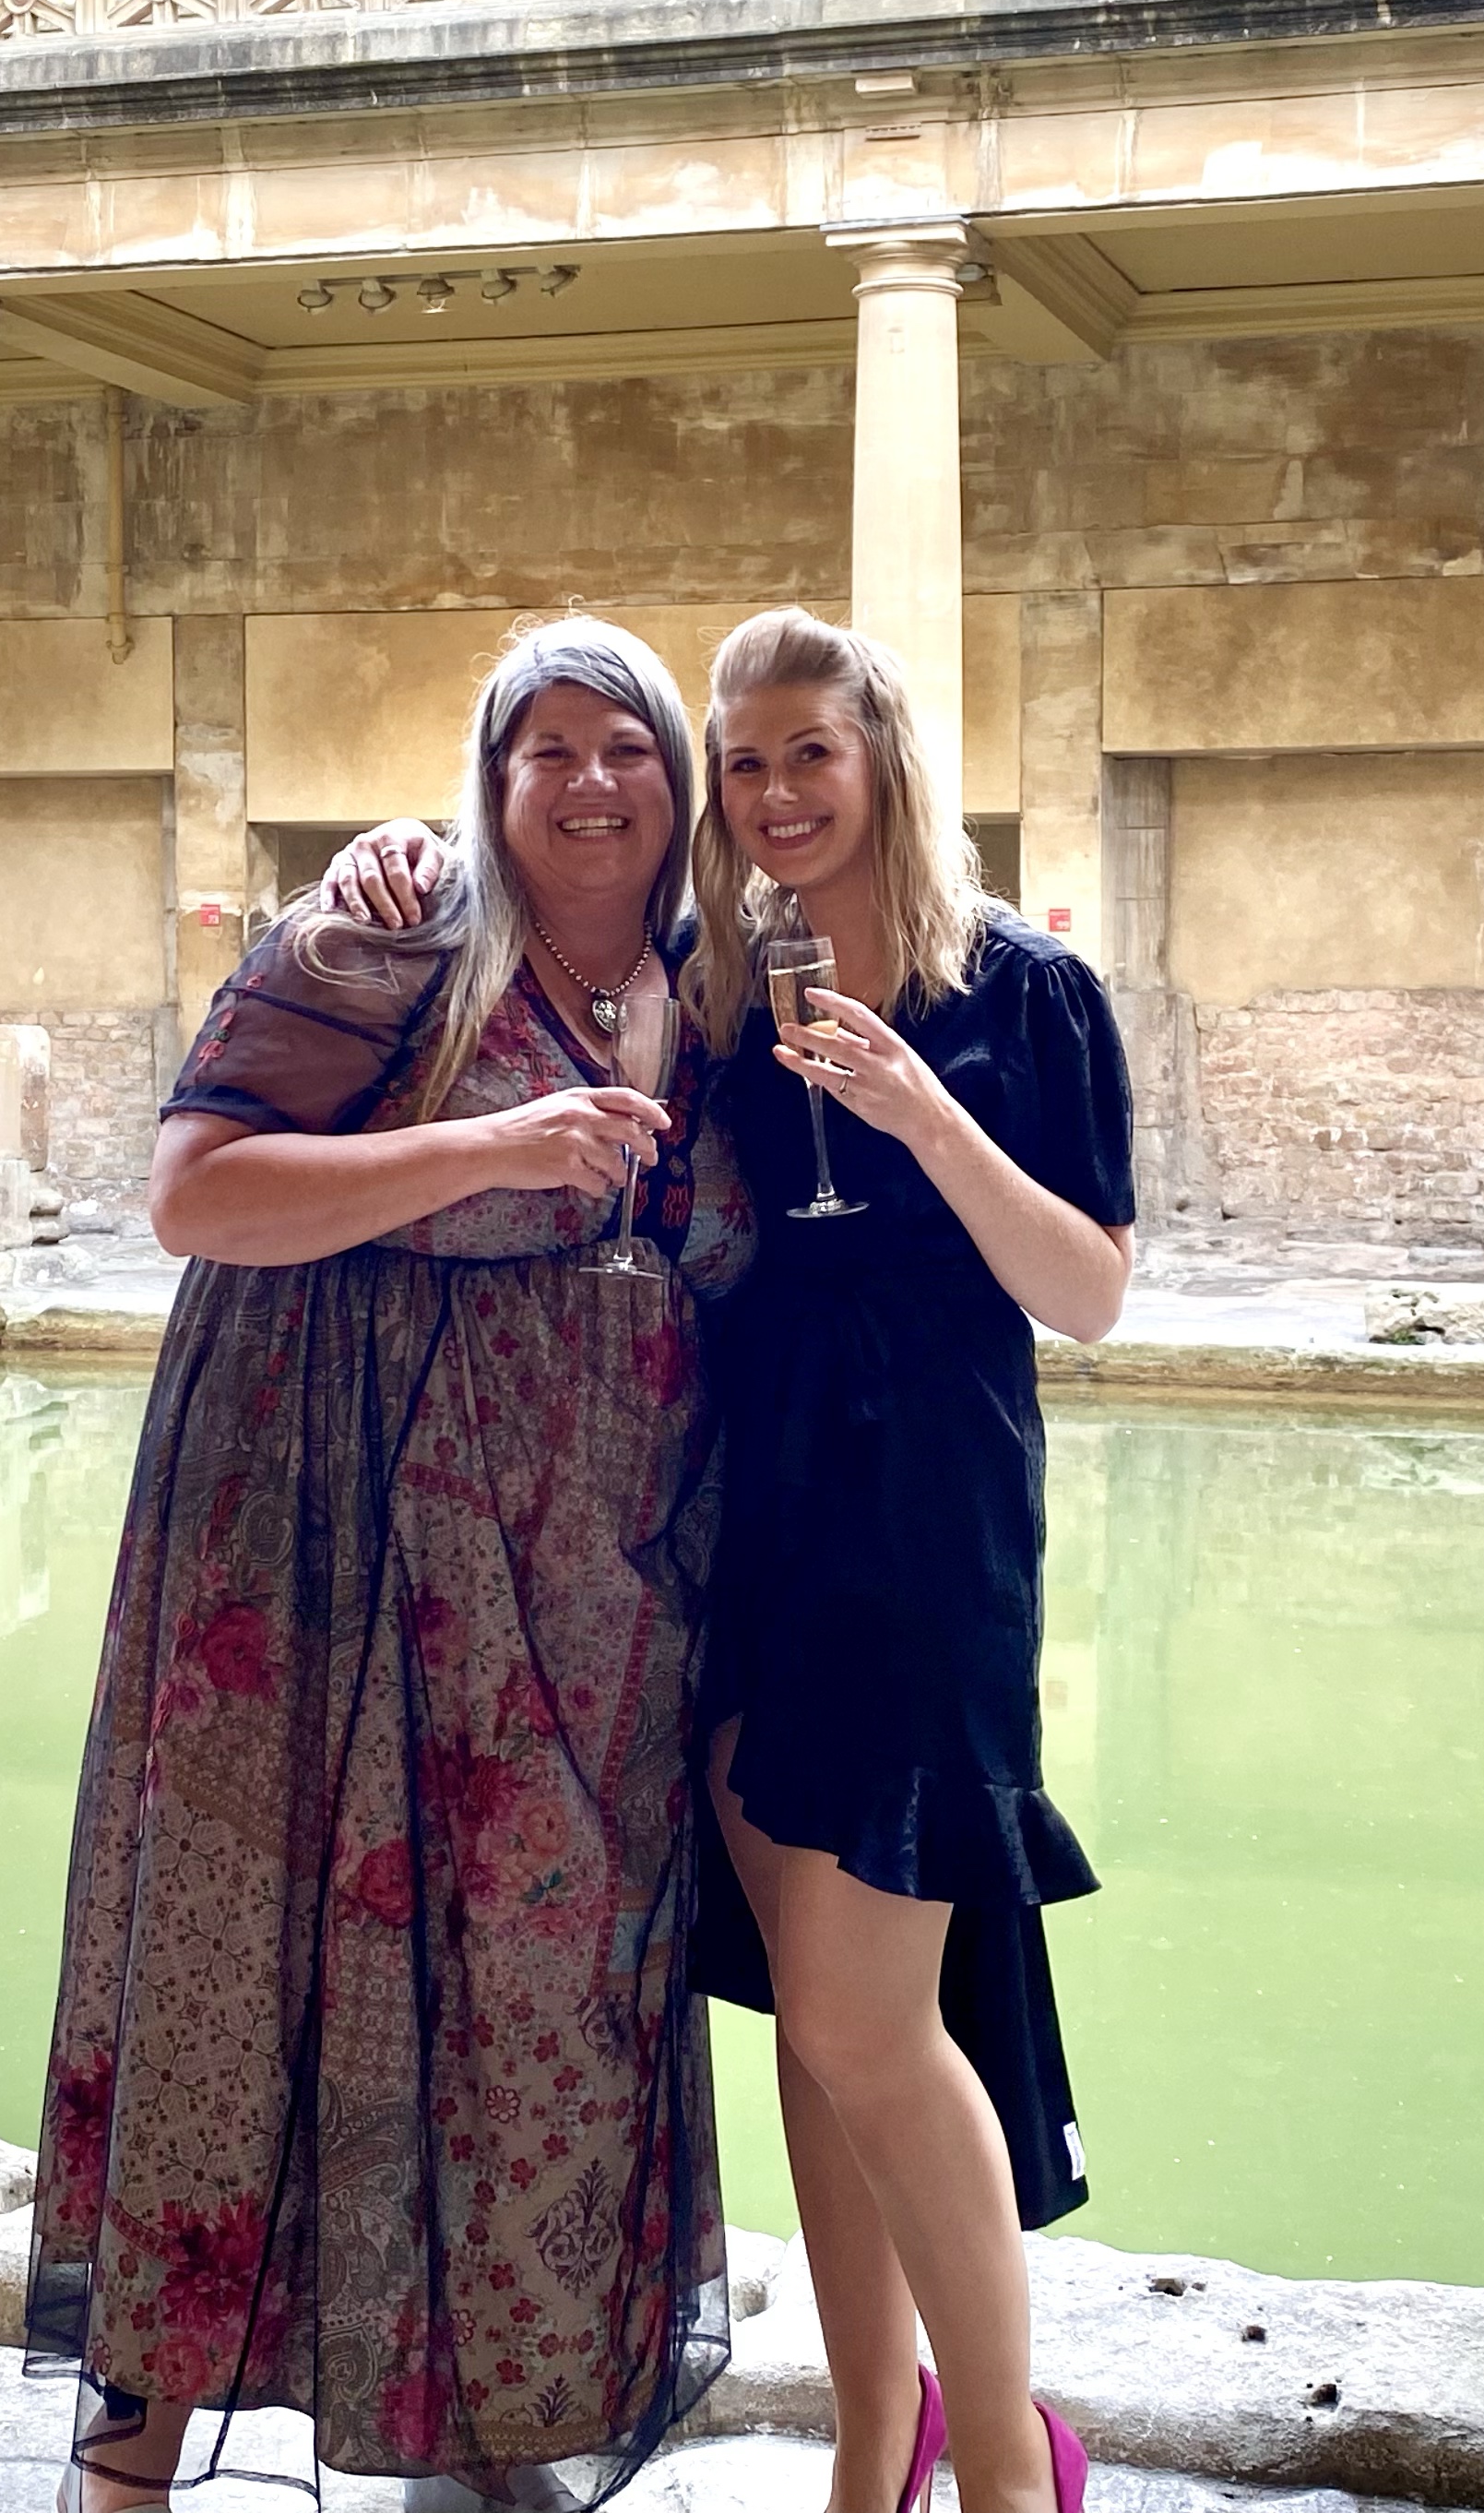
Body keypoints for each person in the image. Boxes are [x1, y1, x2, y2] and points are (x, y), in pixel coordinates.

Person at [329, 607, 1133, 2513]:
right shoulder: (714, 986)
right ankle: (871, 2449)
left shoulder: (1022, 988)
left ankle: (1013, 2470)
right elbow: (541, 902)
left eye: (809, 754)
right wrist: (394, 851)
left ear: (882, 760)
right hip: (733, 1516)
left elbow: (1088, 1291)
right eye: (747, 760)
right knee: (807, 2024)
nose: (776, 794)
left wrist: (918, 1110)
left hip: (920, 1523)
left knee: (871, 2021)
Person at [32, 619, 752, 2513]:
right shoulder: (382, 940)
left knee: (545, 1997)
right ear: (489, 782)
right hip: (324, 1557)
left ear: (678, 781)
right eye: (548, 749)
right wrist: (485, 1146)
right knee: (241, 1977)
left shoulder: (718, 981)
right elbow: (196, 1194)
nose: (592, 782)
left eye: (630, 746)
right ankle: (129, 2469)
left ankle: (491, 2417)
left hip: (592, 1600)